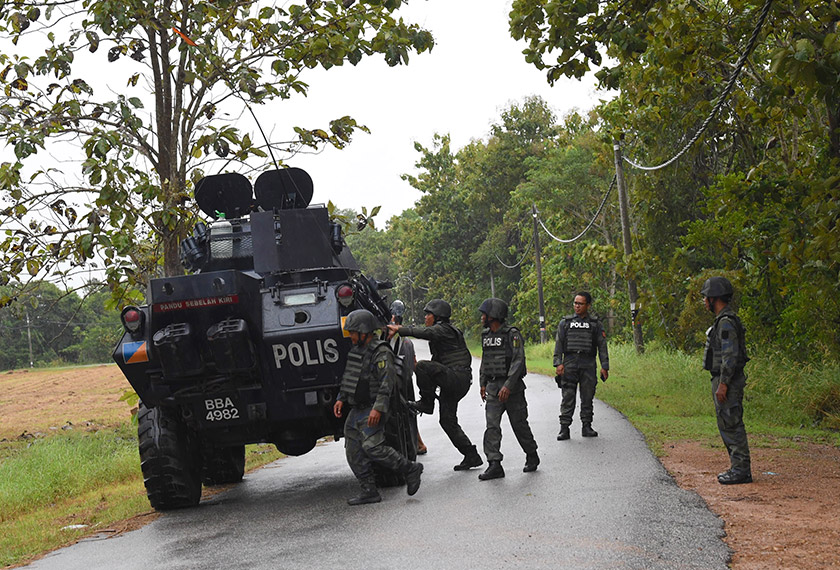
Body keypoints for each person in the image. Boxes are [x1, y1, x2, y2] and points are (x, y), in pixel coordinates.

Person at [333, 309, 423, 505]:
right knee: (354, 451)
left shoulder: (380, 352)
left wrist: (378, 408)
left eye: (353, 333)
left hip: (372, 407)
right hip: (356, 409)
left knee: (373, 447)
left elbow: (387, 383)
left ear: (364, 331)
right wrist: (341, 398)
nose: (351, 336)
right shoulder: (356, 351)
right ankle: (369, 491)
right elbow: (349, 378)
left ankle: (410, 468)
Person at [387, 299, 483, 471]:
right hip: (453, 380)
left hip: (455, 378)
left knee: (423, 366)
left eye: (428, 314)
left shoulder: (444, 329)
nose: (425, 318)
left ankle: (426, 403)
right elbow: (438, 362)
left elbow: (425, 333)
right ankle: (471, 455)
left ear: (437, 317)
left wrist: (400, 330)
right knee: (447, 421)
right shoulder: (443, 334)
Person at [477, 298, 539, 480]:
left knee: (519, 424)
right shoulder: (486, 335)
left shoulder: (512, 334)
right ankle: (494, 464)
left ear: (493, 315)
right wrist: (482, 383)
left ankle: (531, 454)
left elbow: (518, 361)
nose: (482, 317)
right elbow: (485, 360)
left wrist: (508, 386)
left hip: (512, 388)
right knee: (492, 426)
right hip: (493, 387)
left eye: (484, 314)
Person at [701, 276, 752, 485]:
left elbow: (730, 357)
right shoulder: (723, 320)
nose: (704, 302)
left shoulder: (726, 322)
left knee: (731, 423)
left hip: (728, 381)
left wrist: (723, 384)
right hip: (725, 379)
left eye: (705, 297)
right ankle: (737, 467)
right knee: (727, 422)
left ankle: (741, 470)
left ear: (714, 298)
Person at [553, 291, 609, 440]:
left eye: (580, 303)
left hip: (588, 363)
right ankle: (564, 428)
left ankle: (587, 426)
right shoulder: (565, 323)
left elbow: (602, 346)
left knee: (587, 396)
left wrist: (605, 366)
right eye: (575, 303)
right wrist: (558, 363)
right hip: (570, 362)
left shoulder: (595, 324)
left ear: (588, 305)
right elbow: (559, 344)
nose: (577, 306)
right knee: (568, 396)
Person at [389, 300, 427, 455]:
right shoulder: (407, 342)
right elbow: (414, 363)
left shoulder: (396, 340)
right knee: (409, 412)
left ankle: (415, 445)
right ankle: (417, 443)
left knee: (405, 412)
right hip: (407, 380)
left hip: (399, 381)